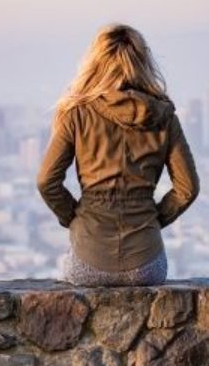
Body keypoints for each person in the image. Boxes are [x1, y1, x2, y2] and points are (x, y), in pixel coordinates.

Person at [36, 23, 200, 286]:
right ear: (143, 62)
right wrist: (153, 220)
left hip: (88, 260)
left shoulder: (76, 114)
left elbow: (46, 181)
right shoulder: (165, 117)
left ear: (95, 63)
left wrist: (75, 218)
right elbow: (188, 188)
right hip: (147, 264)